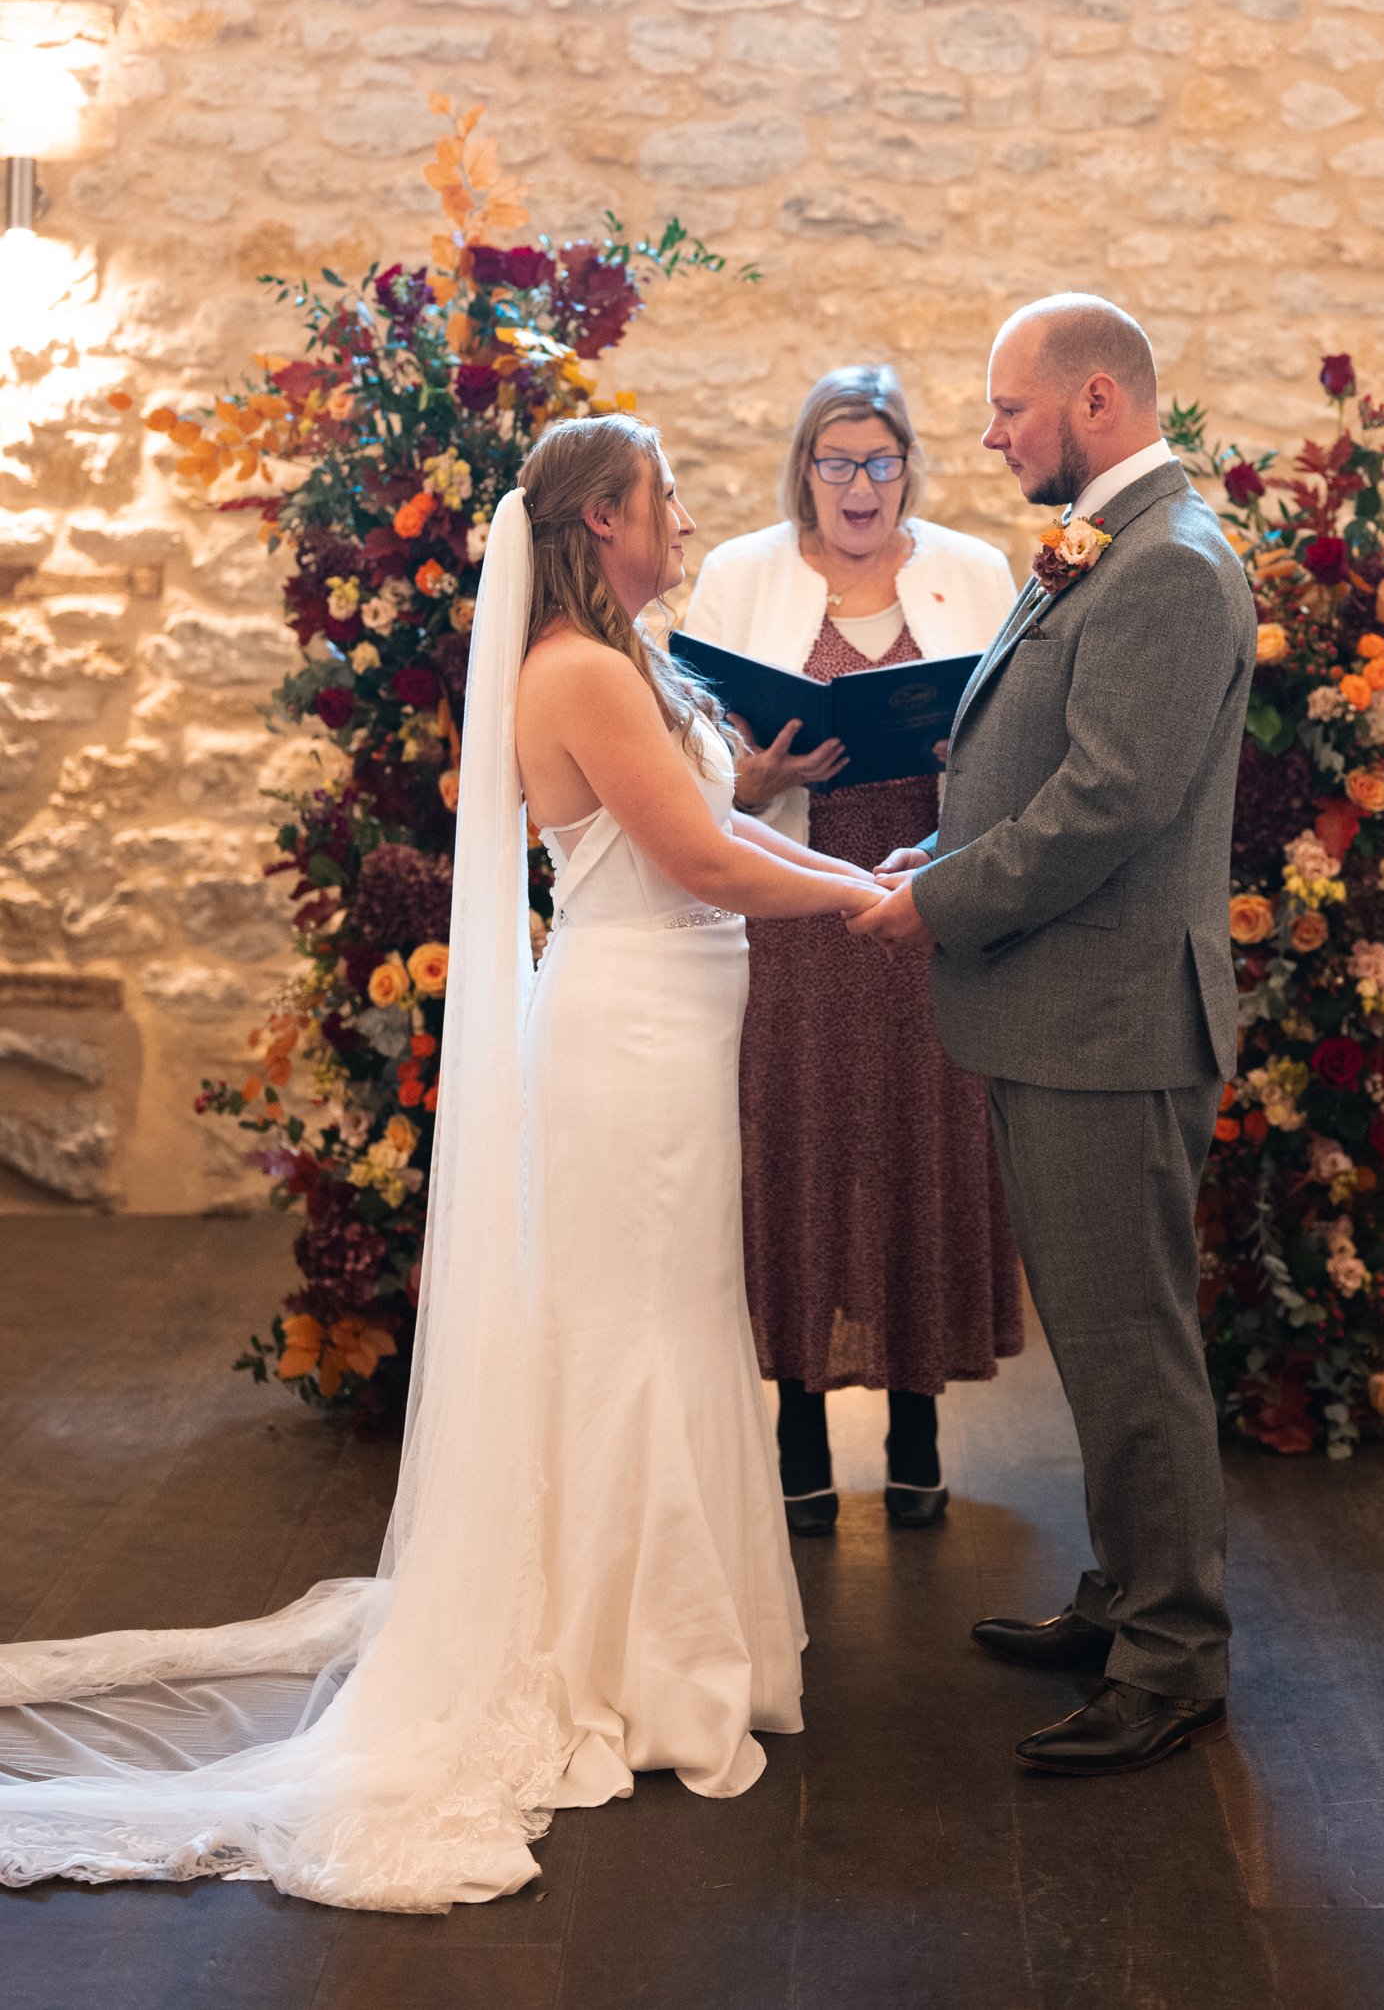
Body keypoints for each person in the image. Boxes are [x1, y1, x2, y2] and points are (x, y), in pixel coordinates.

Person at [0, 415, 882, 1911]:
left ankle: (658, 1637)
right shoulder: (582, 672)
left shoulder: (628, 659)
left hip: (667, 1030)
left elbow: (720, 822)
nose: (681, 516)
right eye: (662, 499)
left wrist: (849, 868)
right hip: (627, 1044)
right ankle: (633, 1666)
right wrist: (866, 903)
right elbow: (695, 859)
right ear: (602, 522)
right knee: (635, 1333)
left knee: (664, 1321)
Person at [856, 295, 1256, 1778]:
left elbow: (1107, 805)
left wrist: (942, 901)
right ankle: (1124, 1591)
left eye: (1005, 408)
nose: (985, 434)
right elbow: (1043, 760)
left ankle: (1172, 1653)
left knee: (1128, 1344)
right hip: (1061, 1013)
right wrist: (935, 855)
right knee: (1098, 1342)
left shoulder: (1164, 565)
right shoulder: (1117, 541)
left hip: (1106, 1020)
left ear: (1095, 402)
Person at [684, 366, 1021, 1534]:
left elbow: (1019, 743)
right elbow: (686, 765)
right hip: (794, 916)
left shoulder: (974, 574)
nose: (859, 484)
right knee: (800, 1155)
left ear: (908, 468)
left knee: (921, 1149)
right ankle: (797, 1438)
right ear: (804, 472)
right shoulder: (739, 575)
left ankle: (921, 1432)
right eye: (836, 462)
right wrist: (759, 774)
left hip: (929, 908)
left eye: (880, 461)